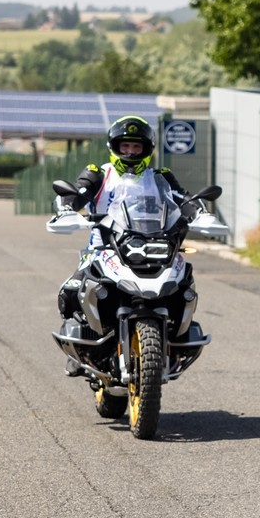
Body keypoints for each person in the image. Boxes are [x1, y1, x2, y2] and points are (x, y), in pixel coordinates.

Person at [56, 115, 196, 366]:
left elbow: (183, 199)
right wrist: (67, 208)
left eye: (136, 147)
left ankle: (176, 340)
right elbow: (78, 193)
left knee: (184, 284)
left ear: (147, 149)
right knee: (71, 291)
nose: (131, 152)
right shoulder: (99, 173)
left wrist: (199, 212)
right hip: (104, 247)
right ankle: (81, 345)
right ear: (115, 147)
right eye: (125, 146)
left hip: (154, 246)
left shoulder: (160, 177)